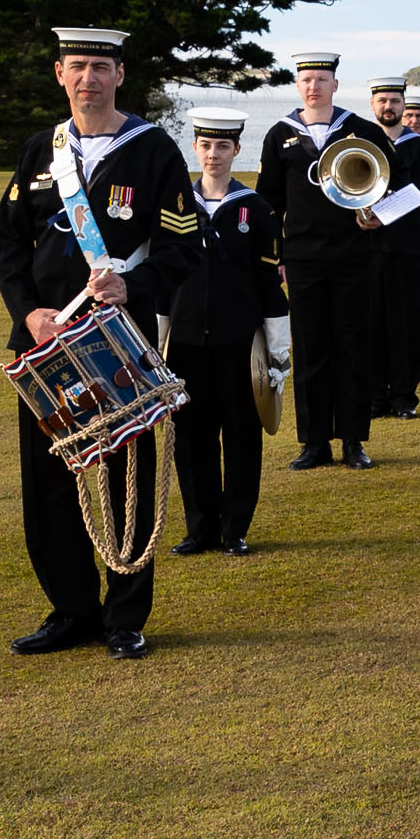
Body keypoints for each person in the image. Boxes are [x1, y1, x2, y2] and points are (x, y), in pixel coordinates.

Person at [0, 25, 199, 659]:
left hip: (118, 337)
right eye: (77, 66)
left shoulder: (154, 151)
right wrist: (29, 315)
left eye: (100, 67)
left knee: (125, 473)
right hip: (46, 345)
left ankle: (125, 617)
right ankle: (71, 609)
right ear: (60, 74)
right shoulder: (38, 152)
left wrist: (132, 289)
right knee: (51, 479)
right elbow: (8, 243)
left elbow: (183, 248)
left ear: (120, 75)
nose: (89, 78)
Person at [164, 111, 289, 558]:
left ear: (237, 150)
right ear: (194, 148)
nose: (213, 155)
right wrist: (156, 346)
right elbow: (163, 282)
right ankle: (200, 529)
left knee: (240, 437)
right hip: (185, 346)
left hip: (240, 345)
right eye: (205, 146)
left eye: (223, 147)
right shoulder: (177, 207)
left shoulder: (256, 210)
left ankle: (235, 527)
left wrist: (278, 355)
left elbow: (270, 288)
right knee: (192, 439)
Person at [255, 53, 387, 471]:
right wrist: (274, 255)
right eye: (306, 79)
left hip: (353, 254)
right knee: (311, 348)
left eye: (322, 79)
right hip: (302, 257)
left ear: (335, 84)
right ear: (298, 86)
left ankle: (353, 440)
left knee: (353, 344)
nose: (313, 87)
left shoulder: (362, 130)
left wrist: (379, 216)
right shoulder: (280, 135)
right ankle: (314, 442)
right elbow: (268, 203)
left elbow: (393, 184)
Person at [363, 74, 420, 416]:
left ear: (403, 105)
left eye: (394, 101)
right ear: (372, 105)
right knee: (370, 325)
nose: (388, 106)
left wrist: (385, 213)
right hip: (367, 249)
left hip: (409, 249)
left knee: (405, 325)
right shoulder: (361, 143)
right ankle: (374, 397)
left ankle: (403, 397)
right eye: (382, 101)